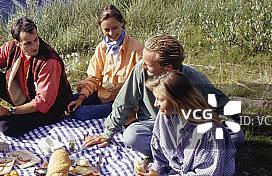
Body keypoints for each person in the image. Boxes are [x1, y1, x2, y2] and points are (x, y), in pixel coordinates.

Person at [84, 34, 243, 154]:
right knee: (132, 136)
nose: (143, 66)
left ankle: (186, 155)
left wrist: (207, 128)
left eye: (149, 65)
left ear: (168, 67)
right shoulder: (141, 69)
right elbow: (124, 102)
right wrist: (107, 133)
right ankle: (178, 156)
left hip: (189, 129)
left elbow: (228, 110)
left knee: (236, 136)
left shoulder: (196, 82)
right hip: (155, 125)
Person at [0, 17, 72, 137]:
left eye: (36, 40)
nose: (34, 46)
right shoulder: (11, 47)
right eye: (28, 43)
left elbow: (42, 103)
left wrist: (9, 111)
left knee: (7, 126)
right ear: (17, 43)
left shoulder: (49, 62)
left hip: (47, 110)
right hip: (23, 94)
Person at [67, 5, 143, 120]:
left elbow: (144, 82)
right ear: (101, 29)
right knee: (68, 101)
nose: (111, 33)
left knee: (80, 113)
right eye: (107, 30)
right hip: (103, 95)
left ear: (122, 23)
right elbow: (94, 78)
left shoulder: (137, 49)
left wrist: (125, 87)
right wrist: (81, 98)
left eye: (115, 28)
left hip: (124, 102)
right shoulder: (102, 48)